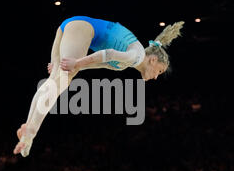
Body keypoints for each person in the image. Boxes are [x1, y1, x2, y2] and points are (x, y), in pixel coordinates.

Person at [14, 16, 184, 157]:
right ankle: (31, 133)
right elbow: (107, 54)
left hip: (71, 27)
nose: (155, 77)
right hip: (82, 28)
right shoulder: (136, 56)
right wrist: (76, 62)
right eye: (159, 71)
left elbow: (99, 63)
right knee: (62, 81)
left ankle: (28, 130)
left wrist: (77, 64)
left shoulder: (125, 63)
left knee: (54, 82)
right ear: (153, 60)